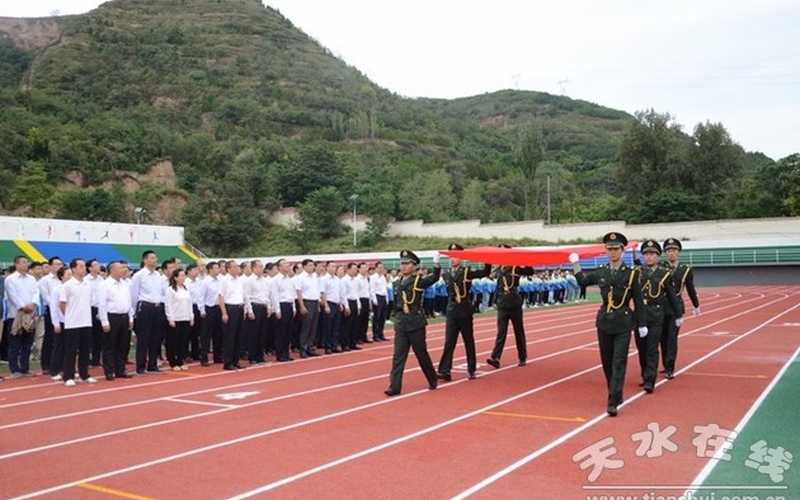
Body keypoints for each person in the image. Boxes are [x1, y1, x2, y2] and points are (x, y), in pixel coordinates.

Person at [571, 232, 646, 416]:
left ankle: (613, 400)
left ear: (622, 250)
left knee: (619, 361)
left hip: (623, 322)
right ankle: (615, 391)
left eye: (616, 249)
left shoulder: (631, 274)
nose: (612, 252)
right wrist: (575, 264)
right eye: (609, 249)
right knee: (606, 361)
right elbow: (583, 281)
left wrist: (641, 324)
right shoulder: (602, 271)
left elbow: (638, 300)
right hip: (604, 321)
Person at [384, 250, 441, 396]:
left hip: (415, 323)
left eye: (407, 263)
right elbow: (396, 303)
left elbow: (434, 278)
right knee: (398, 356)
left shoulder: (418, 281)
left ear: (414, 266)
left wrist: (436, 264)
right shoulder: (396, 283)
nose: (403, 267)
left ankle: (432, 378)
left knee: (421, 354)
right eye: (402, 264)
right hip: (402, 323)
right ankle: (395, 386)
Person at [437, 243, 492, 381]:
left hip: (464, 310)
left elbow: (485, 272)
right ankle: (445, 370)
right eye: (451, 256)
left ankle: (471, 369)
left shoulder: (466, 272)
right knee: (449, 342)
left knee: (468, 340)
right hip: (451, 310)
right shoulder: (447, 274)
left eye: (456, 256)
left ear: (461, 258)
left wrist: (487, 258)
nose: (453, 259)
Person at [634, 240, 681, 393]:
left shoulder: (664, 274)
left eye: (652, 254)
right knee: (641, 347)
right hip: (640, 314)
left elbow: (672, 296)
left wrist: (678, 314)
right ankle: (644, 374)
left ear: (658, 256)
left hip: (656, 314)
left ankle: (650, 379)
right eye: (646, 254)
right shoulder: (637, 273)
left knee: (652, 348)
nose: (649, 257)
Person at [486, 245, 535, 369]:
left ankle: (522, 356)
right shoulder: (499, 269)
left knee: (518, 331)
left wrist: (525, 261)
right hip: (502, 303)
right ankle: (495, 357)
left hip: (513, 302)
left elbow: (530, 272)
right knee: (501, 332)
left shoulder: (515, 267)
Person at [661, 237, 701, 379]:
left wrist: (696, 304)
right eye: (668, 251)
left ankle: (670, 367)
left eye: (674, 250)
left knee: (672, 338)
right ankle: (665, 364)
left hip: (676, 308)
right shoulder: (660, 267)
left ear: (679, 252)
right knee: (663, 338)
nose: (671, 253)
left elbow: (690, 288)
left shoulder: (686, 270)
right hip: (661, 307)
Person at [60, 258, 97, 387]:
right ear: (74, 269)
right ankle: (68, 376)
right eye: (80, 266)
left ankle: (84, 374)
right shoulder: (68, 285)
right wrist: (70, 316)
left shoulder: (88, 284)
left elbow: (91, 302)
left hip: (86, 321)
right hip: (72, 323)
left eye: (84, 266)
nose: (83, 268)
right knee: (71, 351)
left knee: (85, 350)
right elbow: (62, 304)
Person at [97, 261, 135, 380]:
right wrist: (104, 321)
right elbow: (102, 304)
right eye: (120, 268)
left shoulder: (125, 284)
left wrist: (130, 317)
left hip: (124, 316)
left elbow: (129, 302)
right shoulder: (105, 285)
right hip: (112, 317)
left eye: (124, 268)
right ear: (112, 270)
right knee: (109, 345)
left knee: (122, 345)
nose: (123, 270)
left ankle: (120, 369)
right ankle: (109, 370)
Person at [5, 256, 40, 378]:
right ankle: (14, 369)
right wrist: (22, 306)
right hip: (15, 315)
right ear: (17, 264)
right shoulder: (10, 279)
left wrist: (33, 303)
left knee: (27, 343)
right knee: (15, 344)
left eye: (27, 262)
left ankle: (25, 368)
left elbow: (36, 292)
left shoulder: (31, 279)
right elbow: (12, 295)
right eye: (24, 262)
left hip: (30, 315)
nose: (26, 265)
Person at [219, 260, 248, 371]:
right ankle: (228, 362)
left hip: (240, 308)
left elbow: (243, 296)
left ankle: (236, 360)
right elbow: (221, 297)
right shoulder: (224, 280)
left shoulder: (239, 281)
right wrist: (224, 313)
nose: (238, 269)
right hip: (230, 308)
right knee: (229, 337)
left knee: (238, 336)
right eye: (235, 267)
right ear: (229, 268)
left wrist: (245, 310)